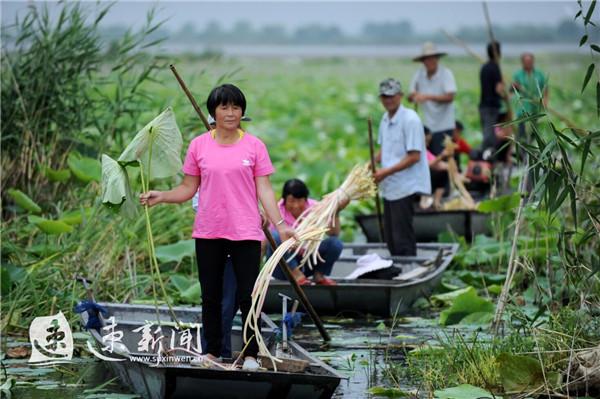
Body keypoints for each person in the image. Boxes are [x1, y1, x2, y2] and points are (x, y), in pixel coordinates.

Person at [140, 83, 295, 371]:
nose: (230, 112)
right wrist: (161, 196)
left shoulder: (254, 146)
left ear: (242, 111)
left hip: (246, 231)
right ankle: (211, 352)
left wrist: (281, 225)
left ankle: (250, 354)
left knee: (249, 296)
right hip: (209, 231)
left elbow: (265, 189)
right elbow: (188, 188)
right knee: (210, 295)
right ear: (213, 111)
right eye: (224, 107)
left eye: (236, 107)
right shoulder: (199, 145)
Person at [374, 78, 431, 256]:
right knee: (390, 236)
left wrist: (384, 172)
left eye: (392, 96)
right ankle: (397, 270)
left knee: (402, 236)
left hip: (405, 185)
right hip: (390, 186)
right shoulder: (385, 118)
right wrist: (370, 164)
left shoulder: (411, 120)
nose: (388, 100)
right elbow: (385, 149)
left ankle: (408, 271)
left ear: (400, 96)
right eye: (384, 96)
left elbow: (414, 156)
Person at [266, 178, 348, 286]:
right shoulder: (276, 211)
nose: (295, 205)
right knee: (275, 236)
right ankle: (296, 274)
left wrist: (335, 212)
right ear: (284, 199)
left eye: (299, 201)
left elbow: (334, 233)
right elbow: (269, 240)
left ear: (306, 199)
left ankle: (319, 275)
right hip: (282, 267)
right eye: (291, 201)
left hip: (308, 261)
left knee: (335, 243)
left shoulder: (316, 208)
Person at [408, 42, 457, 156]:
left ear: (437, 59)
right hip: (427, 127)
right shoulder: (419, 75)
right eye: (427, 59)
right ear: (423, 61)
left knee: (444, 159)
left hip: (444, 125)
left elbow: (450, 97)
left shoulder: (446, 74)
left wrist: (427, 97)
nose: (430, 62)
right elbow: (411, 96)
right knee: (429, 160)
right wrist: (414, 96)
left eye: (432, 58)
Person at [511, 52, 548, 157]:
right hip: (522, 107)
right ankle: (522, 153)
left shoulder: (539, 74)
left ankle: (532, 151)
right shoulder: (518, 75)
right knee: (521, 132)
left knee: (534, 131)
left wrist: (545, 100)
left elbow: (545, 88)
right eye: (526, 61)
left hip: (535, 108)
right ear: (522, 62)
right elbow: (512, 89)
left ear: (533, 61)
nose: (528, 63)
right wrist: (514, 86)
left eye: (530, 61)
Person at [479, 41, 506, 151]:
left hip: (483, 105)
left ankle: (487, 155)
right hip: (492, 106)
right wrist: (507, 92)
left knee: (487, 131)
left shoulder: (484, 67)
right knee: (490, 136)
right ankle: (488, 157)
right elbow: (499, 89)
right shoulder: (495, 68)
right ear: (498, 53)